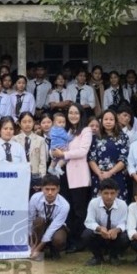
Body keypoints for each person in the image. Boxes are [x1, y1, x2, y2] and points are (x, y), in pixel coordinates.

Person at [52, 105, 92, 252]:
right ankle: (68, 240)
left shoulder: (86, 131)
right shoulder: (67, 130)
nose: (73, 115)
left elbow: (82, 151)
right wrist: (55, 153)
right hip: (64, 173)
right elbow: (59, 147)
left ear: (81, 115)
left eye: (76, 113)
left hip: (79, 175)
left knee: (79, 210)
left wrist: (63, 155)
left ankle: (79, 241)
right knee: (67, 208)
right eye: (70, 113)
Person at [81, 178, 128, 266]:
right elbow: (89, 221)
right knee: (86, 234)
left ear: (117, 193)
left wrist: (116, 230)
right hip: (99, 235)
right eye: (106, 193)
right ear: (100, 193)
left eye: (112, 193)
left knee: (125, 237)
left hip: (115, 237)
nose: (109, 196)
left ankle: (114, 256)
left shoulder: (122, 204)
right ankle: (97, 257)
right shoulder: (93, 203)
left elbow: (124, 223)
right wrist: (99, 229)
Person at [28, 174, 69, 261]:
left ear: (58, 189)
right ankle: (38, 250)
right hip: (41, 225)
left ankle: (54, 250)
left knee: (59, 239)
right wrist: (31, 243)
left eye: (53, 189)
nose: (50, 192)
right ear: (42, 188)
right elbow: (30, 220)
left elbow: (53, 227)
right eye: (47, 189)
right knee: (38, 221)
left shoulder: (64, 205)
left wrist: (37, 248)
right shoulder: (35, 198)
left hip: (56, 227)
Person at [88, 110, 129, 199]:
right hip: (99, 176)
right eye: (106, 119)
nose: (108, 122)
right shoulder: (95, 137)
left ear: (115, 121)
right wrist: (100, 174)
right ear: (101, 121)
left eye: (111, 119)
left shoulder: (123, 137)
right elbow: (91, 159)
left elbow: (124, 159)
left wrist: (110, 172)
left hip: (117, 175)